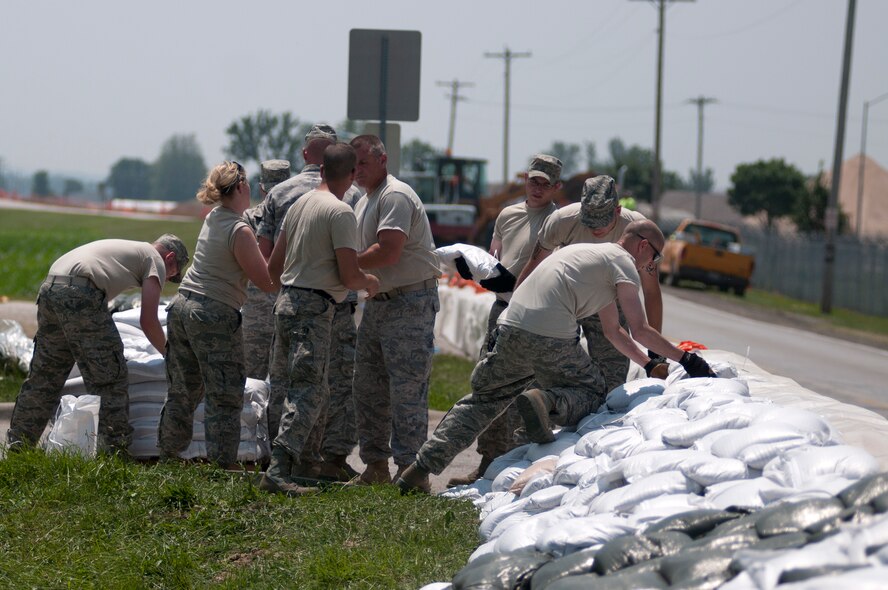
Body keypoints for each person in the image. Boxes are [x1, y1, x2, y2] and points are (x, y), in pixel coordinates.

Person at [397, 220, 716, 493]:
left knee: (484, 401)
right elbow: (640, 329)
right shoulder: (623, 265)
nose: (652, 266)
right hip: (549, 334)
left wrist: (648, 364)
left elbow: (614, 332)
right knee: (595, 392)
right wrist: (686, 360)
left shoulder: (589, 255)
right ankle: (547, 402)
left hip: (510, 327)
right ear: (644, 247)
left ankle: (419, 470)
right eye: (655, 258)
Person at [260, 143, 380, 496]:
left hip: (286, 303)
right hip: (314, 308)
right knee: (310, 391)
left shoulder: (299, 205)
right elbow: (349, 274)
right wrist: (369, 282)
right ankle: (278, 472)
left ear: (322, 170)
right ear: (353, 174)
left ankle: (289, 462)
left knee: (295, 387)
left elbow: (272, 268)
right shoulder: (341, 212)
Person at [7, 234, 189, 453]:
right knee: (109, 377)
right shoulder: (155, 260)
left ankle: (18, 446)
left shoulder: (131, 249)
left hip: (50, 288)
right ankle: (115, 452)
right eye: (172, 276)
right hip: (81, 294)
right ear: (170, 259)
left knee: (45, 377)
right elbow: (149, 321)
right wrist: (171, 355)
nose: (167, 280)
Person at [447, 154, 562, 487]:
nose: (537, 188)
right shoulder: (508, 215)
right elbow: (492, 258)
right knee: (489, 383)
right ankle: (487, 461)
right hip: (501, 311)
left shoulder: (559, 222)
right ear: (525, 178)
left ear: (556, 187)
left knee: (524, 390)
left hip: (534, 316)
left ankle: (514, 464)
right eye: (533, 180)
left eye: (545, 183)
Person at [158, 161, 276, 468]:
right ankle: (224, 466)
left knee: (182, 391)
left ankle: (169, 457)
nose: (251, 190)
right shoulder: (239, 229)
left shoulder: (213, 218)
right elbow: (265, 282)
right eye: (248, 184)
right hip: (212, 314)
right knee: (224, 394)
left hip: (183, 307)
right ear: (240, 187)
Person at [515, 175, 664, 393]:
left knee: (612, 375)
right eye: (589, 221)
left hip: (608, 300)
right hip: (564, 299)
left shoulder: (639, 231)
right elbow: (534, 268)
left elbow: (651, 292)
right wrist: (513, 311)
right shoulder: (562, 221)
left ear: (617, 211)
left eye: (602, 223)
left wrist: (655, 350)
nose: (596, 229)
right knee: (544, 364)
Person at [350, 134, 441, 484]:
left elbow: (389, 251)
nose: (357, 171)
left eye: (364, 163)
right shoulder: (365, 201)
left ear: (383, 160)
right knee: (368, 386)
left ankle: (411, 469)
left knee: (406, 388)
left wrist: (344, 265)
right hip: (380, 302)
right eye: (354, 165)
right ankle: (375, 465)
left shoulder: (395, 196)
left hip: (409, 302)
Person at [242, 159, 291, 380]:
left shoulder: (249, 218)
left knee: (252, 382)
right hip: (286, 307)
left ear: (262, 187)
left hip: (257, 311)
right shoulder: (300, 215)